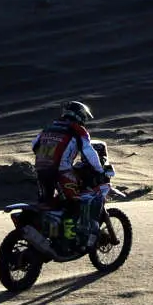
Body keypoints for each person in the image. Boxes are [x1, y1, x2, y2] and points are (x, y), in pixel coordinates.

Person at [32, 100, 112, 249]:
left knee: (47, 204)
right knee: (73, 204)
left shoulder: (49, 127)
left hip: (41, 170)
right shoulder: (78, 130)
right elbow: (89, 152)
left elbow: (34, 145)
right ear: (79, 115)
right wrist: (100, 170)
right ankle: (67, 241)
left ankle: (46, 235)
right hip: (62, 172)